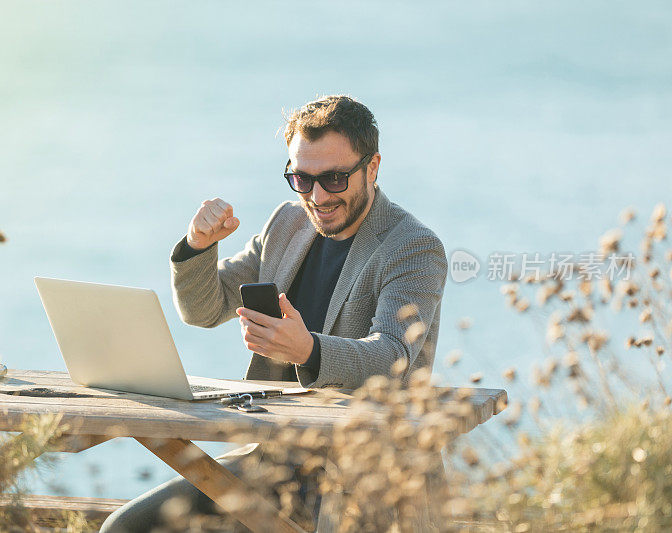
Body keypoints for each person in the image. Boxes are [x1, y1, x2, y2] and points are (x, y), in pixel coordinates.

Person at [100, 95, 448, 532]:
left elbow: (392, 357)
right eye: (302, 179)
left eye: (335, 179)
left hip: (369, 474)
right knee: (126, 528)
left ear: (372, 167)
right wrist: (198, 246)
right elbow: (204, 309)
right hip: (273, 461)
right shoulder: (287, 223)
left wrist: (309, 351)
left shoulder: (412, 247)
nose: (318, 196)